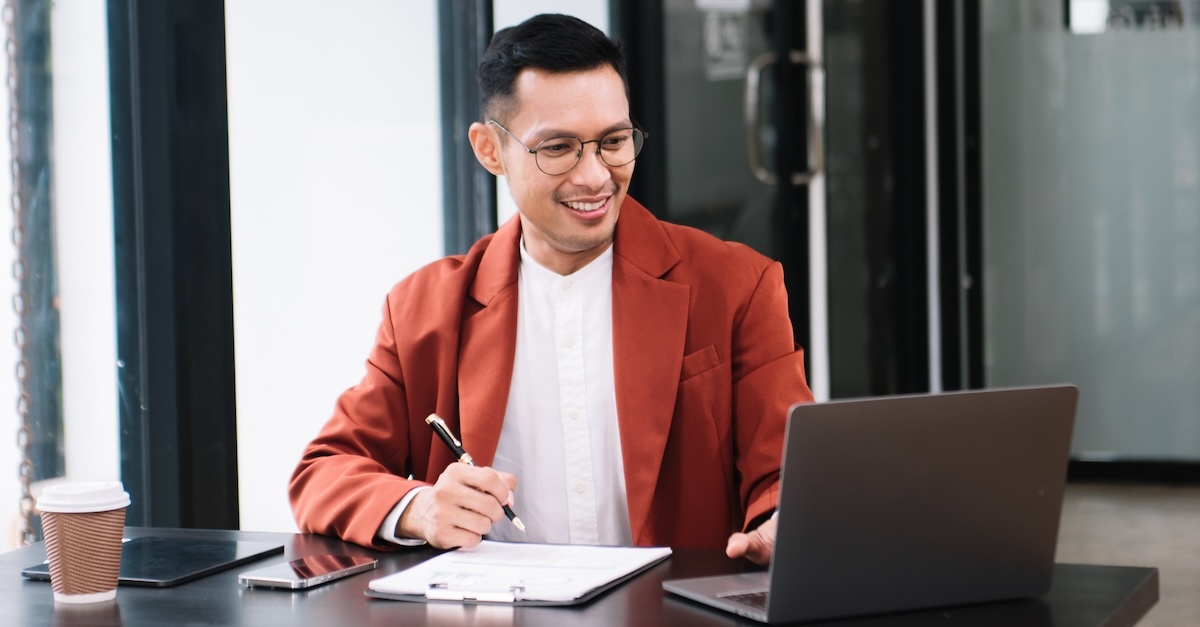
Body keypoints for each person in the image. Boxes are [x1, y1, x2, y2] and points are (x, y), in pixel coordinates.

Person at [289, 13, 813, 565]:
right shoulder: (422, 309)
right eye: (558, 149)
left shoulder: (736, 286)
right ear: (490, 150)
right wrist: (418, 508)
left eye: (613, 141)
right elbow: (323, 472)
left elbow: (788, 471)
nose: (594, 176)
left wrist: (785, 522)